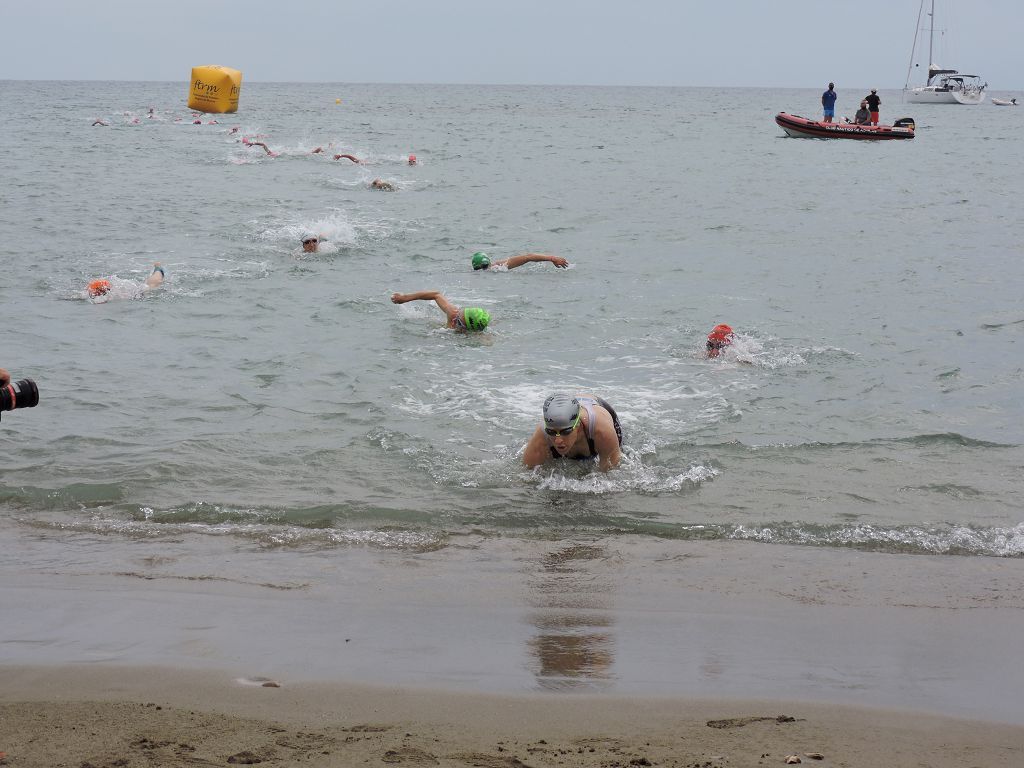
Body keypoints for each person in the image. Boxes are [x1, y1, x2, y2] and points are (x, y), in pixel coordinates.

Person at [522, 393, 623, 472]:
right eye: (551, 432)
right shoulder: (542, 436)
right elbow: (526, 477)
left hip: (598, 408)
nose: (558, 441)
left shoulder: (601, 431)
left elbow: (610, 475)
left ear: (578, 425)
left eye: (565, 431)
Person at [390, 291, 490, 331]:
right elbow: (436, 295)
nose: (454, 320)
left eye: (459, 322)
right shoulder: (453, 313)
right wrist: (405, 298)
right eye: (458, 315)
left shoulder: (477, 336)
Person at [471, 251, 569, 271]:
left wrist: (552, 258)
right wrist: (552, 258)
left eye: (484, 267)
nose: (483, 270)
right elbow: (528, 257)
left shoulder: (498, 266)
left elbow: (528, 257)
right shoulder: (497, 267)